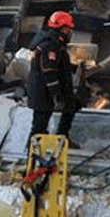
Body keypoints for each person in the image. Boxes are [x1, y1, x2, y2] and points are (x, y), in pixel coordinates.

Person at [26, 11, 77, 140]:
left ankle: (62, 138)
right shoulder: (50, 46)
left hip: (45, 92)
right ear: (63, 29)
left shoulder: (54, 44)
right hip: (44, 94)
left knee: (71, 107)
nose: (69, 32)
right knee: (39, 127)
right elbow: (49, 71)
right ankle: (32, 155)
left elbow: (58, 65)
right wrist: (56, 95)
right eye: (68, 29)